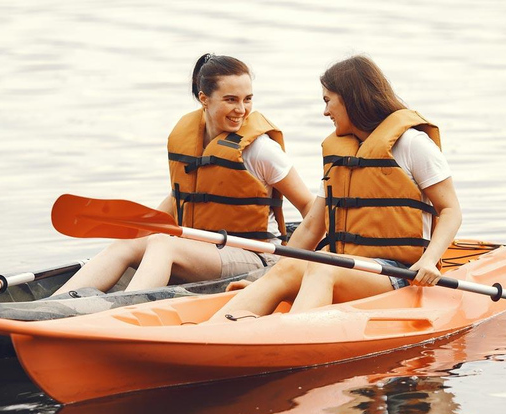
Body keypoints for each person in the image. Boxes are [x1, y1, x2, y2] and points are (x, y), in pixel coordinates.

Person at [210, 55, 462, 320]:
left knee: (324, 267)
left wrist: (429, 260)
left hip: (397, 272)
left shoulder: (412, 144)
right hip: (349, 265)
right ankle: (213, 330)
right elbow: (311, 226)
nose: (325, 111)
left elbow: (450, 210)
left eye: (328, 100)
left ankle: (289, 335)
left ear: (351, 99)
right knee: (291, 267)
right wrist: (268, 280)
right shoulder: (341, 155)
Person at [52, 54, 314, 296]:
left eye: (247, 99)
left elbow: (308, 206)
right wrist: (143, 229)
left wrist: (293, 264)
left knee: (163, 245)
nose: (242, 109)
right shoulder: (190, 139)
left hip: (254, 255)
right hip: (203, 249)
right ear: (204, 98)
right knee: (127, 245)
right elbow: (180, 196)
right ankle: (53, 305)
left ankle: (122, 308)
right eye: (231, 99)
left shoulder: (260, 150)